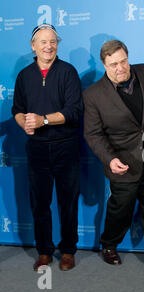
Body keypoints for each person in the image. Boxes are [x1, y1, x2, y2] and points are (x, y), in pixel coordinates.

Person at [83, 40, 144, 275]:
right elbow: (93, 134)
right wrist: (109, 159)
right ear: (104, 65)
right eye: (113, 65)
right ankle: (109, 245)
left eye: (123, 61)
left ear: (128, 57)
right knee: (121, 209)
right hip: (122, 162)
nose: (120, 68)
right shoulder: (93, 95)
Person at [12, 24, 83, 271]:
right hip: (37, 149)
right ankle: (44, 250)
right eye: (43, 42)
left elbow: (74, 111)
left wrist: (42, 119)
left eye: (53, 41)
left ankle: (68, 250)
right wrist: (25, 125)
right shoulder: (24, 75)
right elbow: (18, 110)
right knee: (39, 203)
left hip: (66, 147)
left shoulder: (68, 72)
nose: (48, 46)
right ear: (33, 46)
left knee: (68, 202)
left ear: (58, 44)